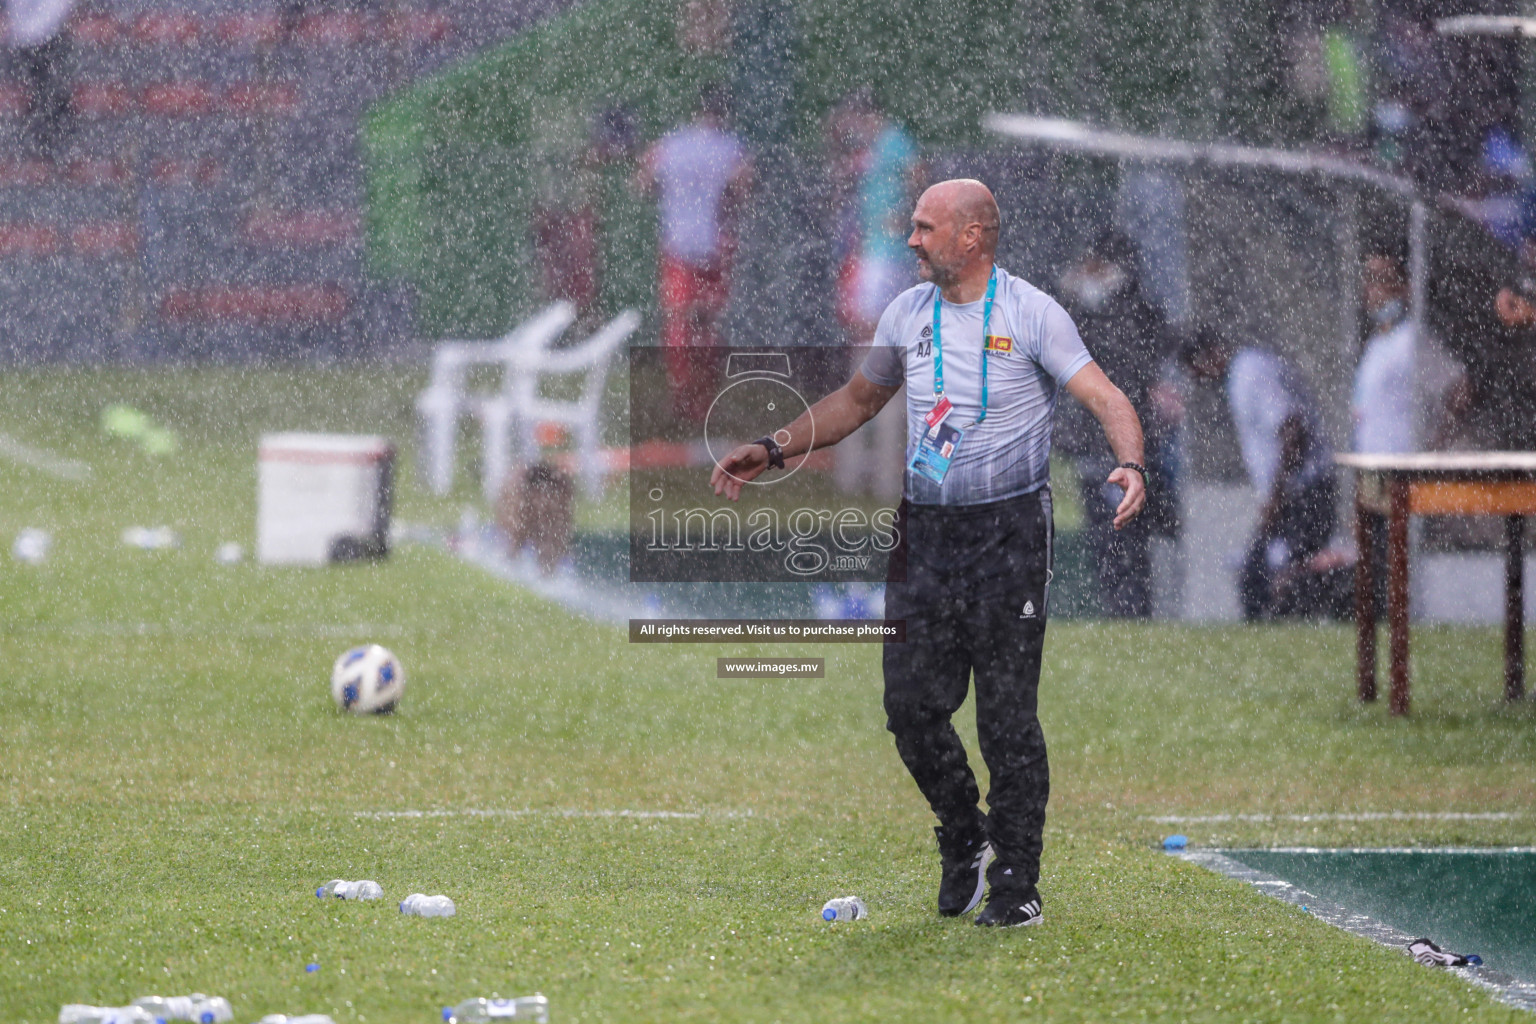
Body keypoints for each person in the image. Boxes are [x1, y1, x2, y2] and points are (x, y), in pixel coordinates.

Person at [710, 179, 1147, 927]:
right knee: (908, 707)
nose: (910, 240)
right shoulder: (906, 312)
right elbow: (856, 401)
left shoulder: (1033, 312)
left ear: (971, 237)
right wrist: (773, 448)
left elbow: (1107, 397)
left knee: (1006, 719)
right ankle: (964, 835)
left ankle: (1016, 882)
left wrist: (1130, 464)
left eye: (924, 227)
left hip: (1009, 533)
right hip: (926, 533)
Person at [1055, 229, 1177, 617]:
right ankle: (1122, 608)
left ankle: (1129, 609)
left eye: (1096, 266)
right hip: (1095, 446)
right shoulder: (1083, 312)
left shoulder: (1129, 313)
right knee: (1106, 539)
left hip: (1118, 447)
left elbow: (1125, 376)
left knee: (1124, 540)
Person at [1181, 328, 1335, 621]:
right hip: (1294, 492)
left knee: (1281, 576)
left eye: (1197, 370)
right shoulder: (1242, 375)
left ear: (1210, 355)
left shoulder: (1250, 374)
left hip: (1303, 492)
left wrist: (1279, 494)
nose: (1200, 381)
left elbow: (1291, 428)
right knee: (1261, 571)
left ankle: (1311, 619)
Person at [634, 83, 752, 422]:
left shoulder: (672, 145)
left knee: (677, 322)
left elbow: (642, 180)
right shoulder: (731, 147)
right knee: (707, 324)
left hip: (676, 245)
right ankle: (703, 399)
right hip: (714, 246)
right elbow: (744, 186)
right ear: (724, 113)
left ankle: (681, 394)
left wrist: (669, 192)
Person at [7, 0, 75, 161]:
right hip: (29, 43)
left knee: (49, 90)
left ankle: (51, 142)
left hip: (45, 40)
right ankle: (47, 142)